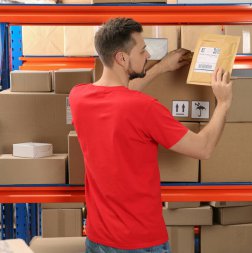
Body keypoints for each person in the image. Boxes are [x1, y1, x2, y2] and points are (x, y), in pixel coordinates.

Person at [69, 17, 232, 253]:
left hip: (97, 239)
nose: (147, 55)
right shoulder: (145, 108)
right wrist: (224, 103)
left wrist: (162, 67)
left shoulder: (79, 97)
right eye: (143, 50)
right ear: (122, 58)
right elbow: (203, 148)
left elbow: (119, 93)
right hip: (141, 242)